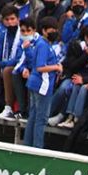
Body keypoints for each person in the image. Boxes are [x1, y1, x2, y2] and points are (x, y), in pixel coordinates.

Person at [23, 17, 63, 148]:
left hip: (36, 83)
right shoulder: (43, 45)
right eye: (52, 30)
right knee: (41, 119)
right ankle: (37, 149)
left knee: (33, 116)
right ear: (44, 31)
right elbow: (40, 67)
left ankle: (27, 145)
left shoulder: (42, 44)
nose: (55, 32)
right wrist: (56, 67)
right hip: (42, 85)